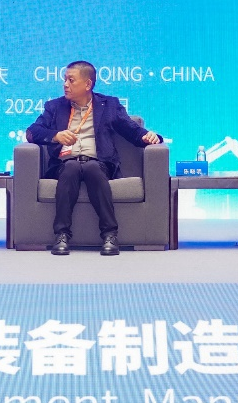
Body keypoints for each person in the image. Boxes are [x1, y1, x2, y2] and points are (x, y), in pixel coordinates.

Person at [27, 61, 162, 256]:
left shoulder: (109, 105)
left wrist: (149, 136)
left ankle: (110, 235)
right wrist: (56, 136)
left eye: (71, 80)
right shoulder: (55, 106)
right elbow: (32, 132)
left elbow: (131, 130)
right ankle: (62, 235)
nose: (65, 84)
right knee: (72, 168)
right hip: (64, 163)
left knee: (92, 168)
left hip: (98, 163)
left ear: (87, 84)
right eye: (64, 80)